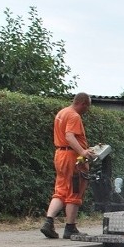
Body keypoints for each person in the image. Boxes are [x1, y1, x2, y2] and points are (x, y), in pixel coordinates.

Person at [40, 92, 95, 239]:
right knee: (74, 191)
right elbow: (69, 136)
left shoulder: (62, 112)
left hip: (60, 155)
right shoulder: (74, 116)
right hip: (72, 157)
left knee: (61, 190)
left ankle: (48, 221)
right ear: (82, 103)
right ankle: (70, 228)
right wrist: (83, 152)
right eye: (87, 106)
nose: (87, 110)